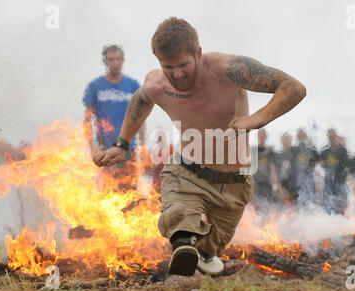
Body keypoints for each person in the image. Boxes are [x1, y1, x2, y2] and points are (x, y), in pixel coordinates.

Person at [92, 17, 306, 276]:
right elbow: (140, 101)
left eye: (183, 64)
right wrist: (121, 144)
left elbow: (293, 87)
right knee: (182, 222)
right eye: (168, 66)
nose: (177, 74)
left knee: (209, 249)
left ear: (199, 53)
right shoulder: (157, 84)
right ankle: (183, 244)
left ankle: (204, 254)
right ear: (159, 61)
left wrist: (258, 118)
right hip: (186, 174)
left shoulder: (229, 69)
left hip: (235, 183)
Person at [83, 44, 146, 163]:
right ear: (105, 62)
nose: (115, 63)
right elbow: (87, 120)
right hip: (105, 147)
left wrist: (142, 146)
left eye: (118, 59)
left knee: (130, 181)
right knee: (108, 182)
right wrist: (91, 147)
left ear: (123, 60)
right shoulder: (95, 86)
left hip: (128, 147)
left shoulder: (133, 85)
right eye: (111, 59)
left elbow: (141, 117)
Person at [319, 128, 350, 215]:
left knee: (340, 205)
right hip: (328, 183)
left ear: (336, 137)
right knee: (328, 205)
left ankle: (340, 222)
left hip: (340, 182)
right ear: (328, 138)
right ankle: (329, 223)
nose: (331, 138)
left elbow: (347, 164)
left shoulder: (342, 150)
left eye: (333, 136)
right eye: (330, 137)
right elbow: (320, 164)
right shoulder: (325, 151)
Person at [251, 128, 277, 214]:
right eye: (260, 134)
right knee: (255, 207)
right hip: (255, 183)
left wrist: (275, 183)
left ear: (266, 137)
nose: (262, 136)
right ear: (257, 136)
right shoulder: (252, 149)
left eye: (264, 134)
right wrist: (266, 152)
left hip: (267, 183)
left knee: (268, 206)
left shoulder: (271, 151)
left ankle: (267, 225)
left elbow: (273, 168)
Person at [293, 128, 319, 205]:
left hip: (309, 179)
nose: (301, 138)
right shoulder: (295, 149)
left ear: (305, 137)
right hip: (298, 180)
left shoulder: (311, 148)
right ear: (297, 137)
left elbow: (316, 162)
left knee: (310, 199)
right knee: (300, 199)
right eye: (299, 136)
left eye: (303, 136)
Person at [272, 132, 298, 206]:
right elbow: (273, 171)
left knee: (295, 209)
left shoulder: (295, 152)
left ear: (291, 141)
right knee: (282, 208)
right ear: (281, 141)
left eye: (288, 139)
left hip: (295, 186)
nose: (287, 141)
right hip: (282, 186)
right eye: (285, 139)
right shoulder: (277, 155)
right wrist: (278, 187)